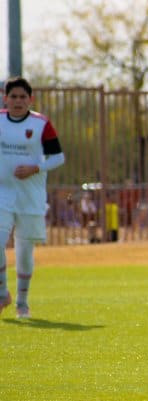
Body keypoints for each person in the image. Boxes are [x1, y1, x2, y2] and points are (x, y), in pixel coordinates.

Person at [0, 76, 65, 319]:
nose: (18, 101)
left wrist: (35, 168)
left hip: (30, 196)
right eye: (13, 97)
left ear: (30, 99)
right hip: (2, 193)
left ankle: (22, 302)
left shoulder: (41, 124)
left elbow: (58, 158)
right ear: (5, 99)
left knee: (24, 252)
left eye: (22, 97)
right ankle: (2, 293)